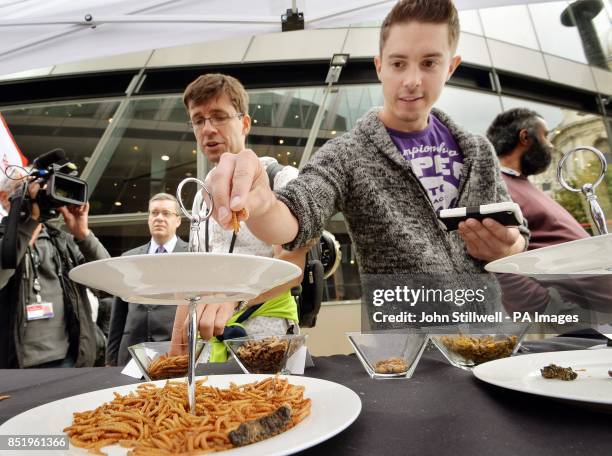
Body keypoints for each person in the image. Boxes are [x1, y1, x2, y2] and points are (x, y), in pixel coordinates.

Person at [206, 0, 528, 316]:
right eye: (398, 63)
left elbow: (519, 239)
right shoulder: (348, 154)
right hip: (406, 354)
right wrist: (263, 205)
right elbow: (296, 214)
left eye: (429, 63)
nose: (412, 80)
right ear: (379, 67)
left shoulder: (478, 150)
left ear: (451, 67)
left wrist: (507, 247)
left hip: (489, 335)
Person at [170, 73, 308, 361]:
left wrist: (232, 298)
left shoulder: (282, 178)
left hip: (270, 341)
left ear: (244, 123)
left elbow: (294, 263)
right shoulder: (199, 194)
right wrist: (177, 350)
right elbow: (193, 274)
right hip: (208, 347)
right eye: (198, 120)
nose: (208, 129)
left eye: (219, 117)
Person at [487, 108, 611, 321]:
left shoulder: (521, 183)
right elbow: (496, 255)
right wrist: (551, 308)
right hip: (582, 315)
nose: (551, 145)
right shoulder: (496, 187)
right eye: (545, 135)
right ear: (525, 137)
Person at [0, 169, 110, 368]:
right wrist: (27, 227)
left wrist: (83, 234)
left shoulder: (62, 241)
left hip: (68, 359)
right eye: (26, 189)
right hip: (13, 364)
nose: (35, 195)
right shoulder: (3, 241)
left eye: (39, 189)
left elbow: (108, 283)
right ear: (5, 198)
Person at [106, 193, 188, 366]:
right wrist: (110, 358)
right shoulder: (128, 258)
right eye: (154, 213)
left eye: (166, 213)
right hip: (130, 354)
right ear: (148, 219)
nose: (159, 218)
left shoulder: (192, 255)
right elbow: (118, 315)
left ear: (178, 220)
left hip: (174, 354)